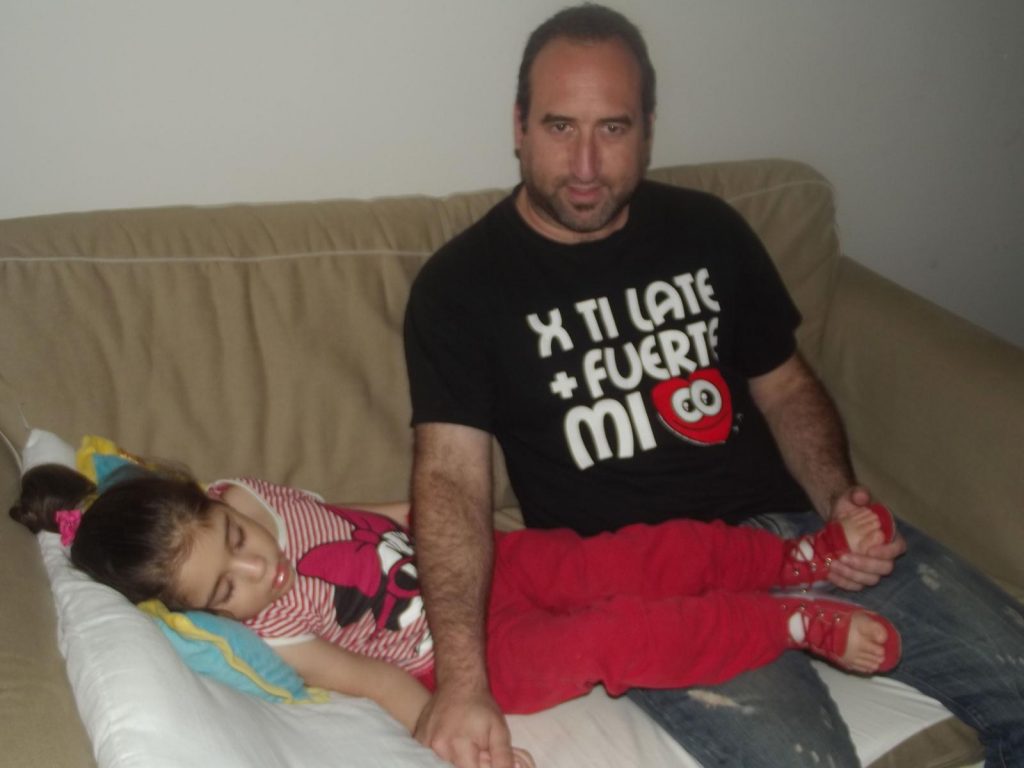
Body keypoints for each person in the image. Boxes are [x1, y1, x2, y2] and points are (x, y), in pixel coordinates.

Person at [402, 4, 1024, 768]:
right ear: (519, 125)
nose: (586, 165)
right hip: (652, 584)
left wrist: (840, 500)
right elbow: (451, 482)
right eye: (561, 126)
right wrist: (464, 682)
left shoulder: (709, 229)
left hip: (795, 536)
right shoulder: (462, 287)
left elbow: (785, 388)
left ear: (648, 129)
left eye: (614, 128)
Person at [12, 459, 901, 765]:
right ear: (207, 615)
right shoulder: (281, 635)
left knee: (629, 555)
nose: (258, 565)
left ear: (218, 501)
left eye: (235, 538)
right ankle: (790, 625)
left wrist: (446, 519)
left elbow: (356, 518)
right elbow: (378, 683)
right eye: (226, 589)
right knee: (611, 635)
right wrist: (464, 743)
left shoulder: (249, 493)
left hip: (484, 562)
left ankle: (790, 560)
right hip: (469, 652)